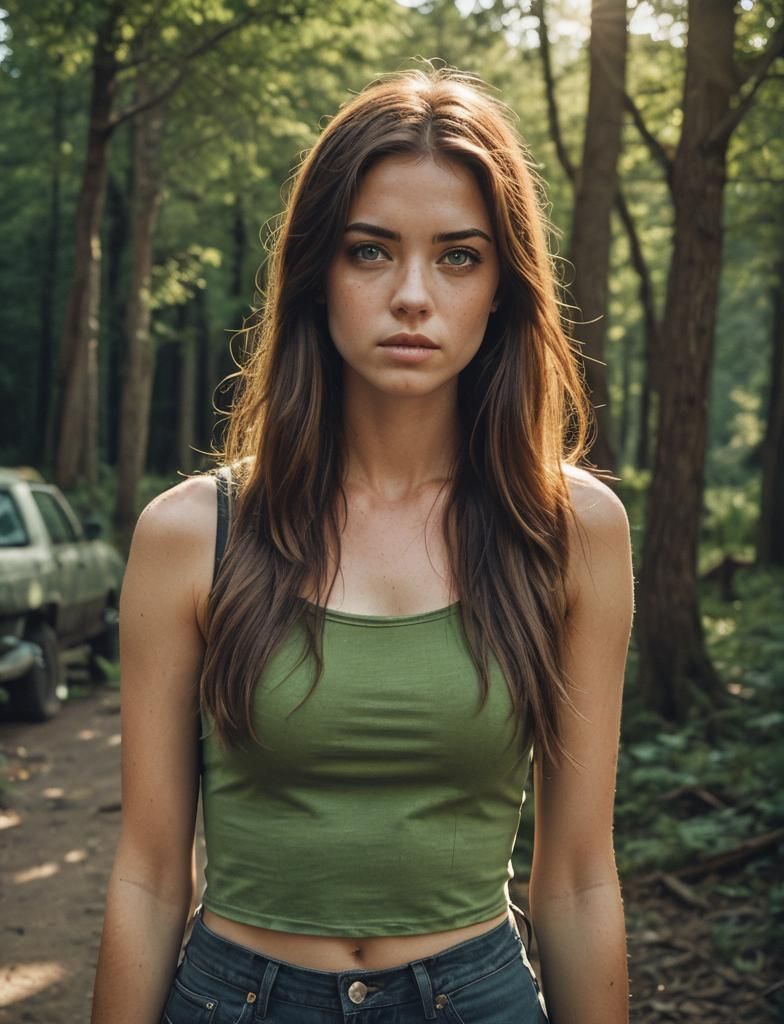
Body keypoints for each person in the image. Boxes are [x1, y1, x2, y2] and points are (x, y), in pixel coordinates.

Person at [91, 67, 633, 1024]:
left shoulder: (572, 531)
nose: (413, 296)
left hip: (478, 997)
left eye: (459, 257)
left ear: (504, 287)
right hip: (239, 999)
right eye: (371, 252)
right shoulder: (190, 534)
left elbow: (580, 881)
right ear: (317, 274)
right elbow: (146, 872)